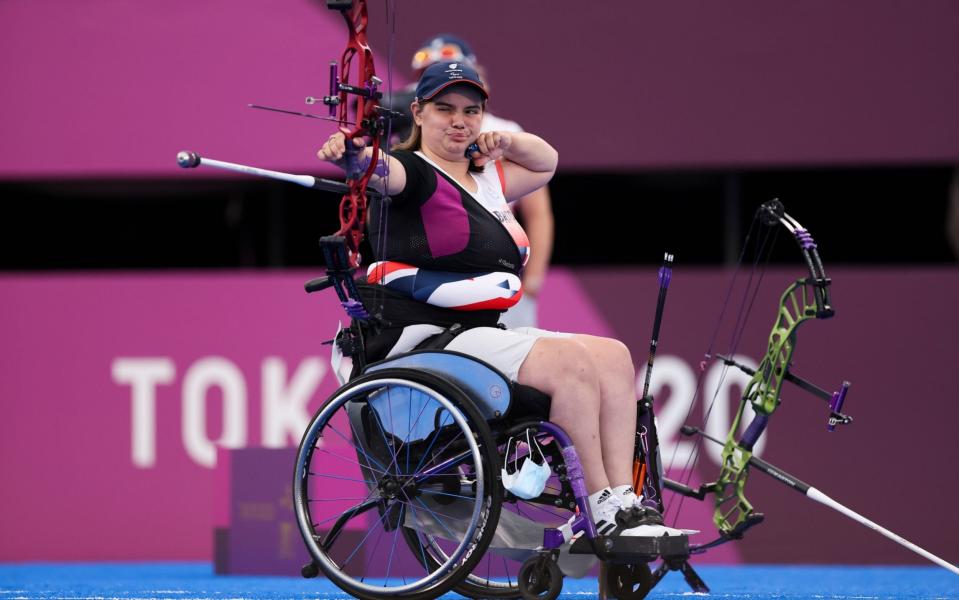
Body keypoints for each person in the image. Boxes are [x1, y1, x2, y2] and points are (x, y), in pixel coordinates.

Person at [317, 62, 680, 538]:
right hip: (428, 341)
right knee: (570, 364)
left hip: (479, 333)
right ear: (420, 113)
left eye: (471, 111)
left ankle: (623, 499)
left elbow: (547, 162)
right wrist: (351, 155)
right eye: (444, 109)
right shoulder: (414, 173)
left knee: (614, 356)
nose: (459, 121)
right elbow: (375, 170)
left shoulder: (487, 179)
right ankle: (600, 505)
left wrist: (508, 142)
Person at [403, 35, 554, 329]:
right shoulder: (409, 132)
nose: (458, 121)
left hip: (500, 268)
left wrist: (533, 279)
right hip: (436, 271)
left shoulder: (504, 131)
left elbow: (538, 210)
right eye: (426, 76)